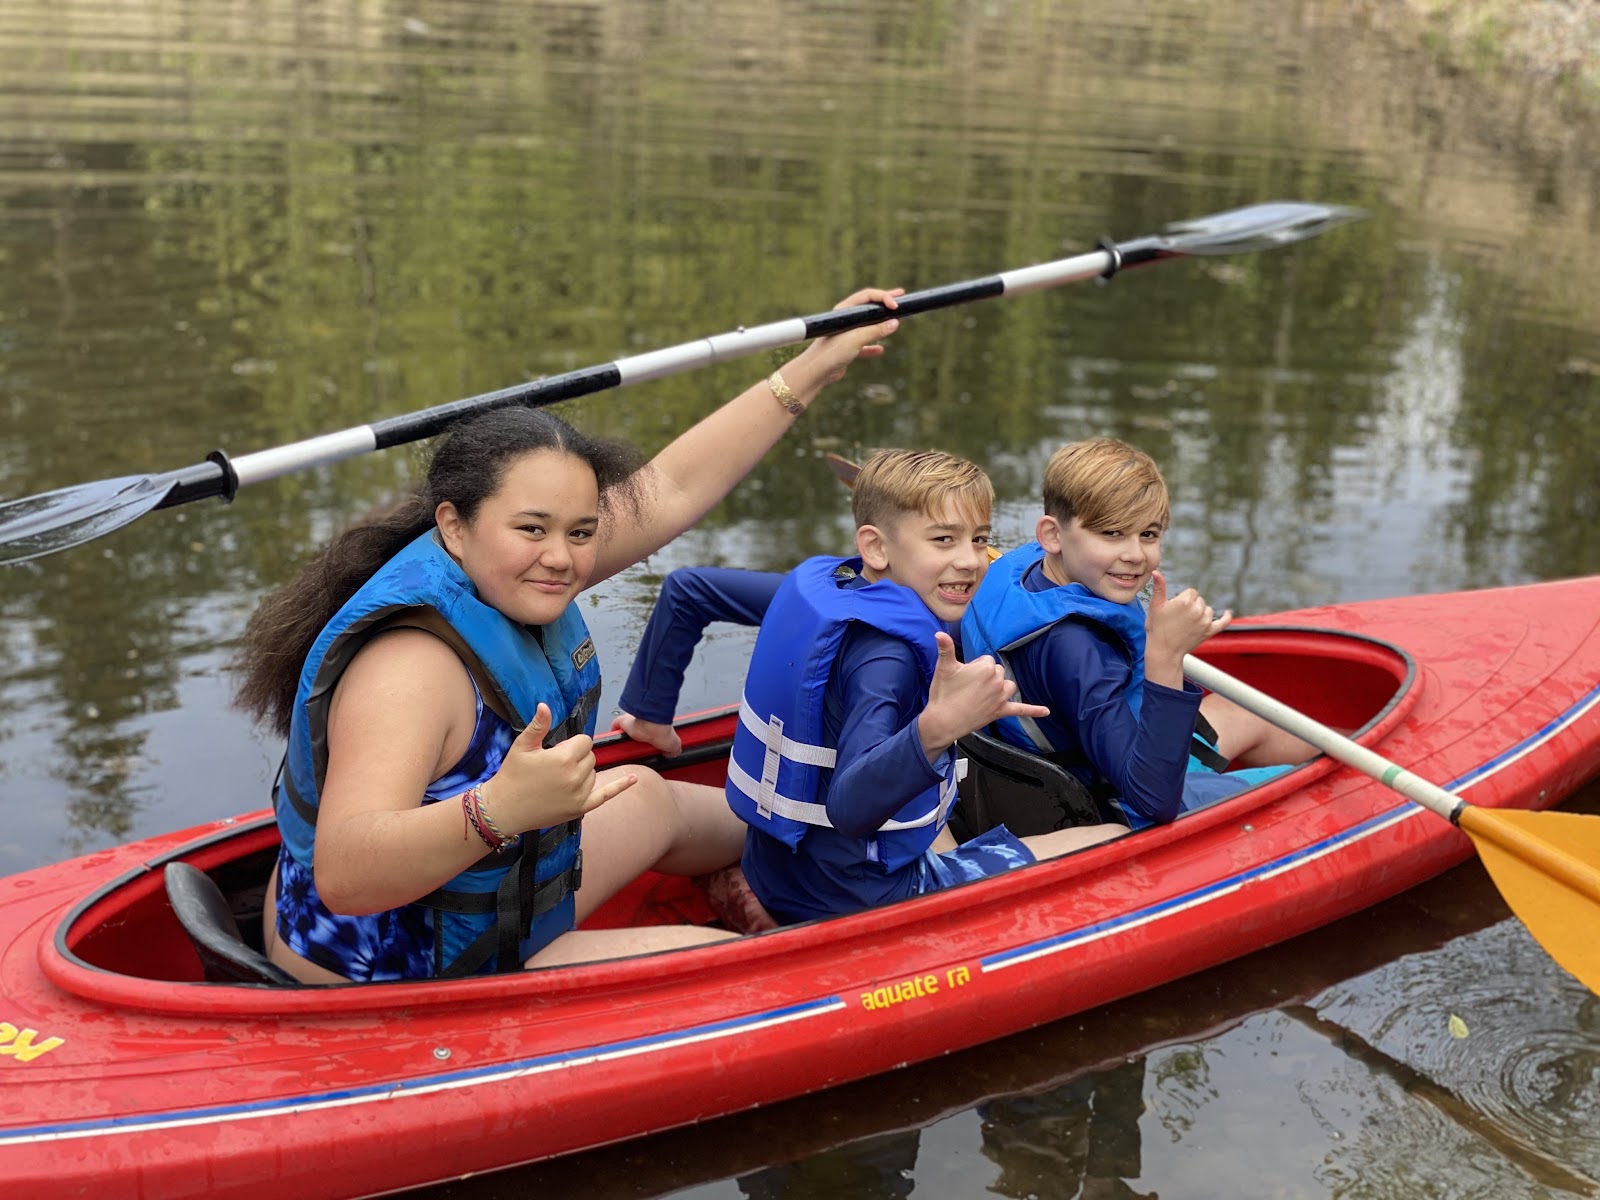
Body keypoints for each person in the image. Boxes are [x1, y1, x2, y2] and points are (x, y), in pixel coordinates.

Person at [232, 287, 904, 983]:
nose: (562, 555)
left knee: (648, 796)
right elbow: (345, 873)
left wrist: (816, 367)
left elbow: (670, 488)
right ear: (454, 525)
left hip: (487, 894)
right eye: (533, 528)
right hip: (398, 960)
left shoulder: (509, 567)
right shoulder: (410, 669)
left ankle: (839, 855)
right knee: (751, 972)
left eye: (580, 531)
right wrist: (500, 809)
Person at [712, 449, 1125, 925]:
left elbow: (689, 589)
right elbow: (849, 807)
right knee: (1111, 838)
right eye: (944, 540)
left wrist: (651, 713)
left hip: (778, 872)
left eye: (979, 539)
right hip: (858, 896)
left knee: (939, 809)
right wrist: (938, 728)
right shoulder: (889, 658)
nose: (971, 560)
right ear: (875, 546)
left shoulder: (841, 588)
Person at [960, 437, 1315, 830]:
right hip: (1111, 802)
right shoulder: (1073, 649)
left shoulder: (1019, 567)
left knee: (1247, 714)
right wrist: (1165, 655)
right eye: (1111, 533)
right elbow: (1153, 800)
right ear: (1052, 535)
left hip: (1103, 752)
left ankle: (1368, 743)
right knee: (1318, 786)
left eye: (1148, 534)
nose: (1135, 555)